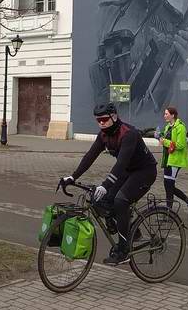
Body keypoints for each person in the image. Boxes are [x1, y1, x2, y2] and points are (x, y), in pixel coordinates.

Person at [60, 103, 157, 265]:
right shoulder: (104, 135)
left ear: (114, 117)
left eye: (104, 119)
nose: (101, 123)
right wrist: (72, 177)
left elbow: (120, 164)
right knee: (100, 201)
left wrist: (105, 185)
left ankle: (124, 249)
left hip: (144, 172)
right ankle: (133, 231)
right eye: (98, 120)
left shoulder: (128, 134)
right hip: (127, 171)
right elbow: (89, 157)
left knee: (120, 201)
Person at [158, 106, 188, 219]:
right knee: (169, 186)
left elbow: (181, 145)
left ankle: (169, 213)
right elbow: (166, 139)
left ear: (173, 115)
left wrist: (164, 142)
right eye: (164, 114)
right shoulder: (168, 127)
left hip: (175, 161)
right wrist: (159, 136)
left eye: (166, 114)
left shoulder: (180, 127)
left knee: (169, 186)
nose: (164, 116)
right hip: (168, 159)